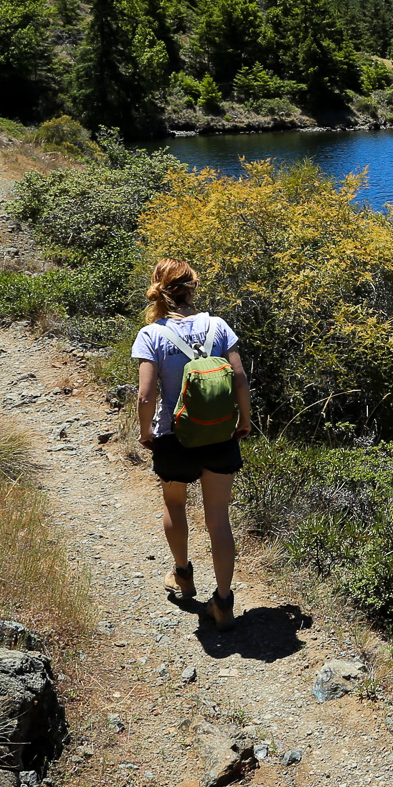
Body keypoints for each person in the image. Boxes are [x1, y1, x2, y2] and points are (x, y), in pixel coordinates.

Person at [131, 259, 252, 631]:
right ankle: (224, 602)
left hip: (174, 436)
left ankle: (183, 575)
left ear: (158, 288)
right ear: (192, 287)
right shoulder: (218, 326)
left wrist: (146, 432)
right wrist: (244, 421)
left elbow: (146, 394)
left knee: (175, 503)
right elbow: (240, 378)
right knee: (219, 518)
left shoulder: (151, 335)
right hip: (219, 434)